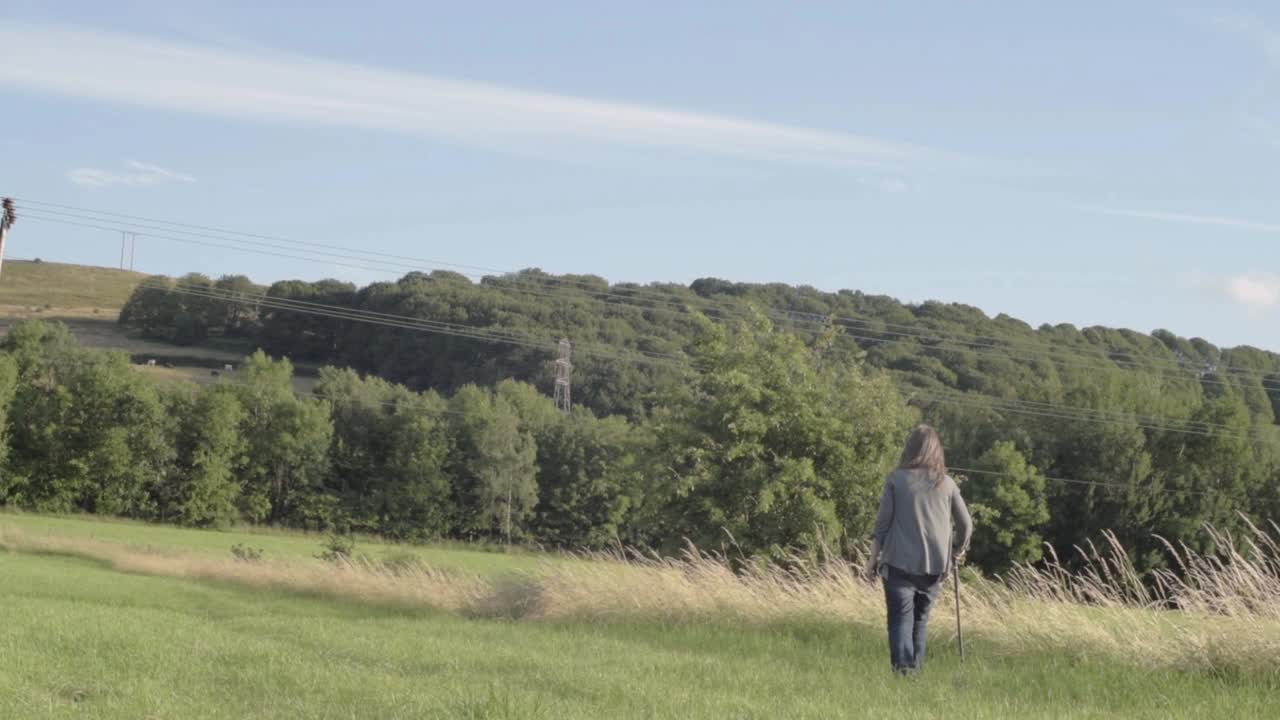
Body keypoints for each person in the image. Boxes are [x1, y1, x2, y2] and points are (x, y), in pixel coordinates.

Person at [864, 424, 972, 674]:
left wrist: (871, 560)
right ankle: (915, 671)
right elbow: (966, 524)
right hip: (934, 566)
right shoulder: (947, 484)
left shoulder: (896, 480)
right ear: (937, 450)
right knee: (920, 620)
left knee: (901, 618)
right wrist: (958, 549)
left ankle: (904, 672)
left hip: (898, 562)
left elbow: (882, 524)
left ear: (909, 449)